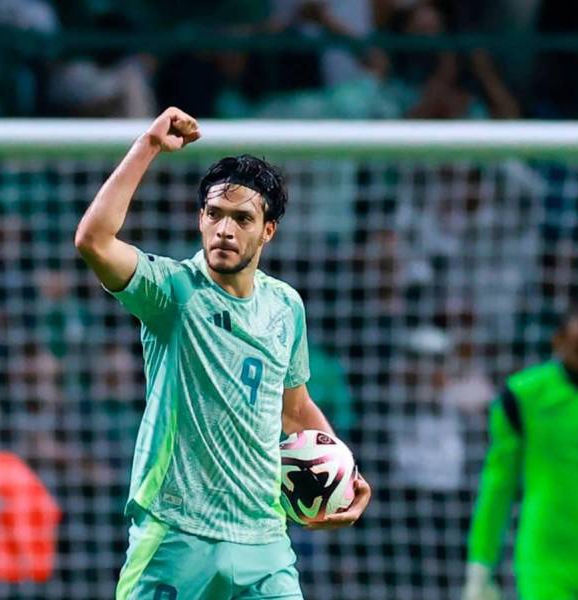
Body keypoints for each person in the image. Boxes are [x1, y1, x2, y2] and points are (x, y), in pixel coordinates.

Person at [74, 106, 371, 599]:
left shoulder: (285, 306)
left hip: (264, 539)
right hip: (175, 533)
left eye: (242, 218)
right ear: (200, 219)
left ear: (268, 230)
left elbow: (294, 409)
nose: (225, 230)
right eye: (214, 214)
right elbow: (93, 240)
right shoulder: (172, 291)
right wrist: (148, 146)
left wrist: (345, 473)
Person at [463, 304, 578, 600]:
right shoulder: (523, 395)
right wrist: (480, 564)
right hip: (547, 563)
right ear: (558, 342)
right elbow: (499, 484)